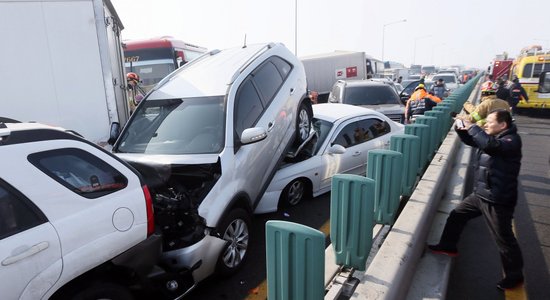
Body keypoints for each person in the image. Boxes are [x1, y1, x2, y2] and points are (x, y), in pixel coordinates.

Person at [429, 109, 524, 291]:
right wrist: (461, 129)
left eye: (489, 122)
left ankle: (515, 277)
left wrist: (473, 127)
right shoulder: (491, 137)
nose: (486, 124)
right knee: (457, 215)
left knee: (504, 240)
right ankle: (448, 246)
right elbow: (474, 141)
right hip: (481, 195)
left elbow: (490, 146)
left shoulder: (511, 140)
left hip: (497, 200)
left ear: (503, 125)